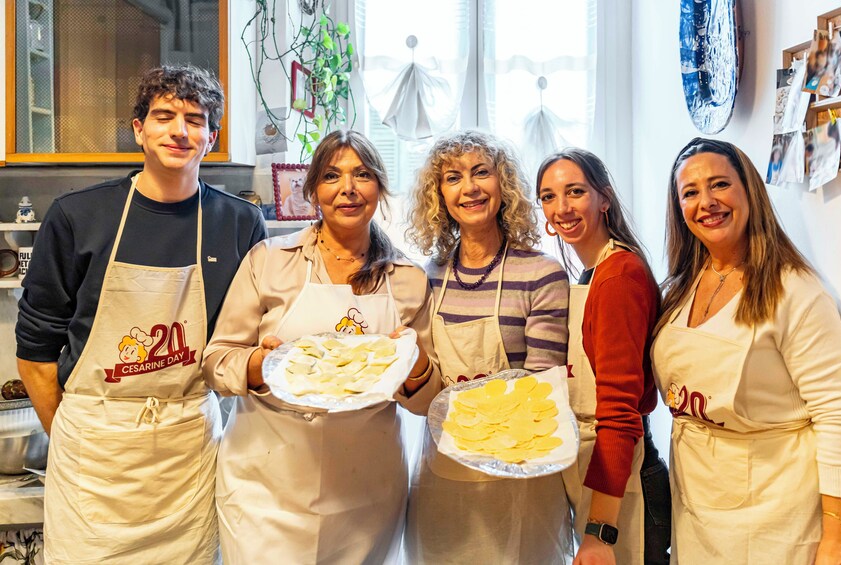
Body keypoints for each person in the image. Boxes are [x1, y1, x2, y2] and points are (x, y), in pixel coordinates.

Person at [15, 65, 266, 563]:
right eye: (164, 116)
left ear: (212, 137)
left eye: (195, 120)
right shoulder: (77, 216)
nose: (179, 131)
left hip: (188, 450)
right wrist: (74, 435)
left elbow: (250, 338)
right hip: (94, 453)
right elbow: (35, 351)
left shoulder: (239, 223)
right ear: (138, 129)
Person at [202, 129, 440, 564]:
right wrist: (259, 364)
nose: (348, 188)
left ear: (380, 187)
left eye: (362, 175)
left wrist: (415, 364)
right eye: (332, 176)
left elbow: (428, 402)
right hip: (267, 483)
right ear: (312, 189)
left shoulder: (407, 278)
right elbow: (216, 361)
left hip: (365, 489)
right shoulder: (269, 260)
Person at [652, 137, 841, 562]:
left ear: (749, 191)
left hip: (776, 514)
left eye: (720, 184)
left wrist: (837, 538)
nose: (707, 202)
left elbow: (838, 413)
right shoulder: (681, 287)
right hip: (696, 505)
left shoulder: (795, 291)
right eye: (690, 192)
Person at [404, 130, 571, 563]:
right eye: (453, 178)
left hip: (523, 471)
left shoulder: (542, 274)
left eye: (482, 172)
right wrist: (408, 367)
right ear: (439, 195)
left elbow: (542, 389)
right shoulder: (427, 277)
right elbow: (425, 393)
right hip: (443, 471)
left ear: (504, 183)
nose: (470, 188)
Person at [537, 148, 670, 564]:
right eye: (548, 196)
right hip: (595, 468)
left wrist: (599, 532)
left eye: (575, 192)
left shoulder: (618, 276)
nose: (562, 208)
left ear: (604, 199)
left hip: (623, 475)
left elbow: (619, 411)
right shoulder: (590, 272)